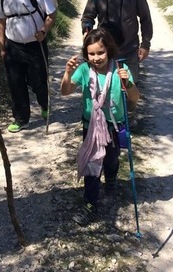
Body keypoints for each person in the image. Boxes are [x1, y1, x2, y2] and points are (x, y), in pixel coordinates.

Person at [61, 28, 140, 223]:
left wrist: (127, 83)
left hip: (114, 125)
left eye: (100, 52)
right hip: (91, 127)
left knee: (111, 160)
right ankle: (90, 203)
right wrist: (67, 72)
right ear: (86, 54)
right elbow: (65, 91)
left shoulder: (120, 69)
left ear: (109, 50)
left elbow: (134, 98)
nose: (96, 57)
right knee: (92, 165)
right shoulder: (84, 70)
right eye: (92, 53)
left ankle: (111, 181)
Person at [0, 0, 57, 133]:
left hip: (35, 46)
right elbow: (1, 20)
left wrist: (44, 32)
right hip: (13, 47)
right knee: (15, 84)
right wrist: (2, 46)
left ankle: (44, 104)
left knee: (38, 81)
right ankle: (21, 118)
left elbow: (51, 14)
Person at [81, 0, 153, 92]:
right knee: (104, 89)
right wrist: (86, 30)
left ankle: (129, 112)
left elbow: (145, 19)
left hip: (129, 50)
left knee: (130, 91)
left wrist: (145, 44)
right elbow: (88, 17)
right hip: (103, 52)